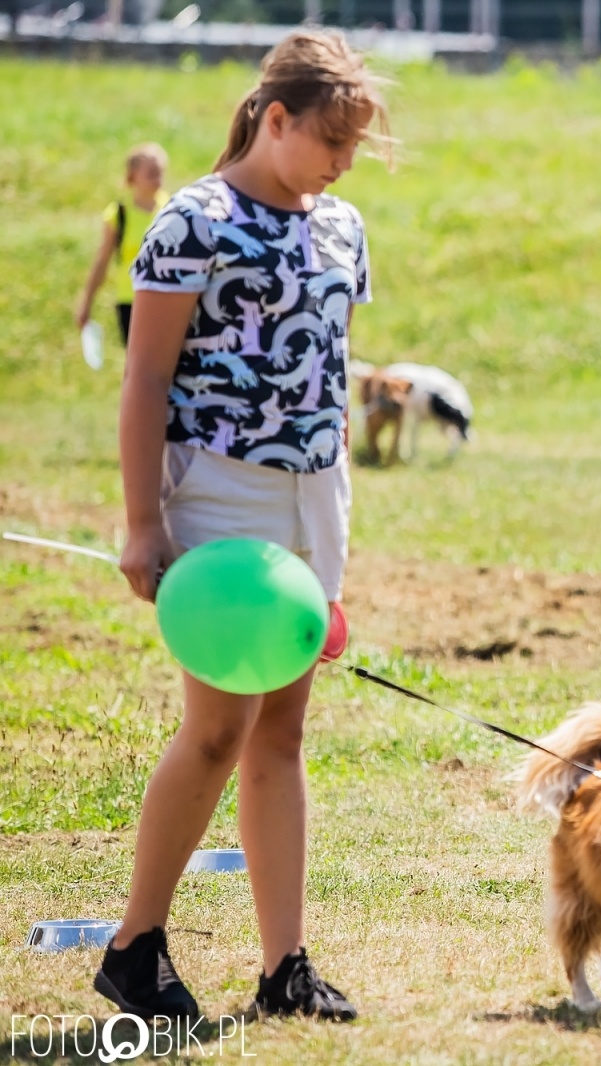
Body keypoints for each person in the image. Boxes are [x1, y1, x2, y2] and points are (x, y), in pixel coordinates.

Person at [101, 29, 388, 1022]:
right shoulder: (194, 219)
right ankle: (135, 943)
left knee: (283, 734)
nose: (343, 163)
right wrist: (143, 524)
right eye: (332, 141)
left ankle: (283, 967)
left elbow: (329, 375)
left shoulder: (343, 226)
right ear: (276, 119)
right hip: (218, 496)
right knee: (219, 730)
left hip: (315, 497)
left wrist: (336, 509)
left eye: (353, 148)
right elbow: (144, 379)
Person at [75, 143, 170, 347]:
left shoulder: (172, 209)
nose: (158, 179)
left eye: (161, 172)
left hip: (167, 296)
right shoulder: (119, 214)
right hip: (131, 299)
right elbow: (103, 260)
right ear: (133, 176)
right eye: (152, 173)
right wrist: (87, 301)